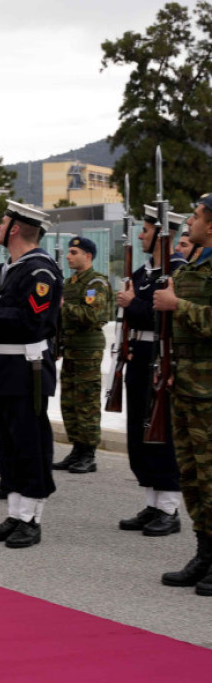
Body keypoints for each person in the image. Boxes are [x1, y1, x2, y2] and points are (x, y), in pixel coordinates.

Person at [0, 202, 62, 549]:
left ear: (17, 229)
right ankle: (15, 512)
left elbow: (32, 321)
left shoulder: (40, 271)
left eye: (3, 222)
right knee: (8, 443)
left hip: (28, 368)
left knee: (29, 443)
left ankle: (32, 518)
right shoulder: (5, 269)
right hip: (3, 366)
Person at [153, 194, 212, 594]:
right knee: (191, 476)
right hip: (186, 386)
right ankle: (204, 552)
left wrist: (178, 305)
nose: (188, 221)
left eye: (195, 215)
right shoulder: (192, 268)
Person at [117, 206, 187, 536]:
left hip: (160, 355)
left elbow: (167, 317)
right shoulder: (145, 272)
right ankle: (152, 501)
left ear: (160, 234)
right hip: (139, 355)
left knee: (161, 432)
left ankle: (170, 507)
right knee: (139, 431)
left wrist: (133, 304)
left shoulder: (177, 270)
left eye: (145, 230)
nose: (141, 236)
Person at [51, 236, 111, 473]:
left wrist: (63, 306)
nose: (68, 256)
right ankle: (77, 448)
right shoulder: (71, 283)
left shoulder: (96, 283)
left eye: (74, 252)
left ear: (88, 255)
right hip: (71, 349)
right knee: (70, 402)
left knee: (86, 402)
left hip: (88, 350)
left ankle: (88, 453)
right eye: (69, 252)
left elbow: (93, 315)